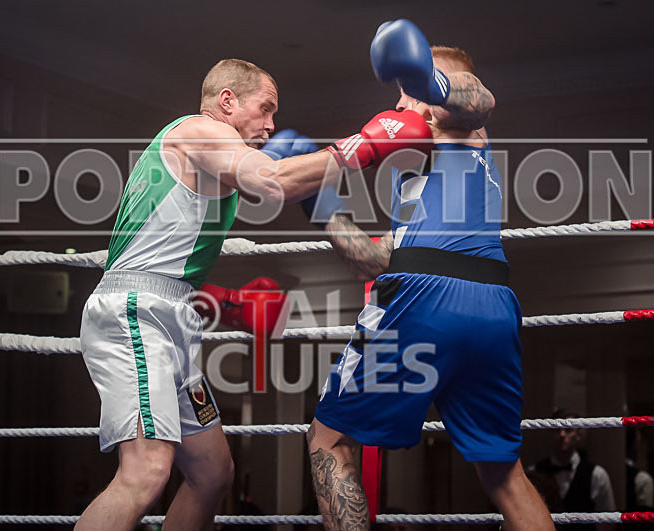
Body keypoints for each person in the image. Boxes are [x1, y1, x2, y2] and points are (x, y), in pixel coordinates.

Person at [76, 57, 435, 530]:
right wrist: (363, 145)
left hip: (167, 314)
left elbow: (174, 248)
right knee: (145, 473)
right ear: (227, 101)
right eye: (265, 109)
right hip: (138, 315)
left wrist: (223, 301)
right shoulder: (202, 132)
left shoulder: (206, 151)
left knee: (212, 472)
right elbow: (271, 182)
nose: (270, 125)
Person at [305, 20, 555, 531]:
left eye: (410, 89)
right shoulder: (421, 174)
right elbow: (375, 261)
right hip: (491, 307)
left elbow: (479, 99)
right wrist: (320, 206)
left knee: (328, 439)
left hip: (419, 300)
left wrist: (431, 84)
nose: (400, 104)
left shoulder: (462, 122)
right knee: (505, 474)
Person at [532, 409, 617, 531]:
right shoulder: (534, 472)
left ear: (578, 436)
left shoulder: (597, 475)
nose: (562, 434)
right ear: (550, 434)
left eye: (568, 430)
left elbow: (607, 524)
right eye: (557, 429)